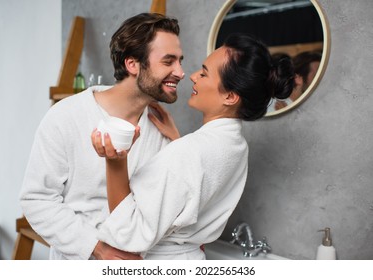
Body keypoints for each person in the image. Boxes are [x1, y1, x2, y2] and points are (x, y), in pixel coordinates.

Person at [91, 34, 295, 259]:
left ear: (229, 96)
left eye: (205, 72)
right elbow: (199, 183)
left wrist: (115, 162)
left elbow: (129, 231)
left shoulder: (189, 152)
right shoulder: (235, 145)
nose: (192, 76)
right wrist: (178, 140)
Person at [19, 13, 184, 260]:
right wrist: (96, 248)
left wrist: (177, 143)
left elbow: (169, 206)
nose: (180, 72)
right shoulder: (66, 116)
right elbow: (37, 200)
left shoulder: (161, 128)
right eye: (168, 61)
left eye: (180, 61)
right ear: (133, 64)